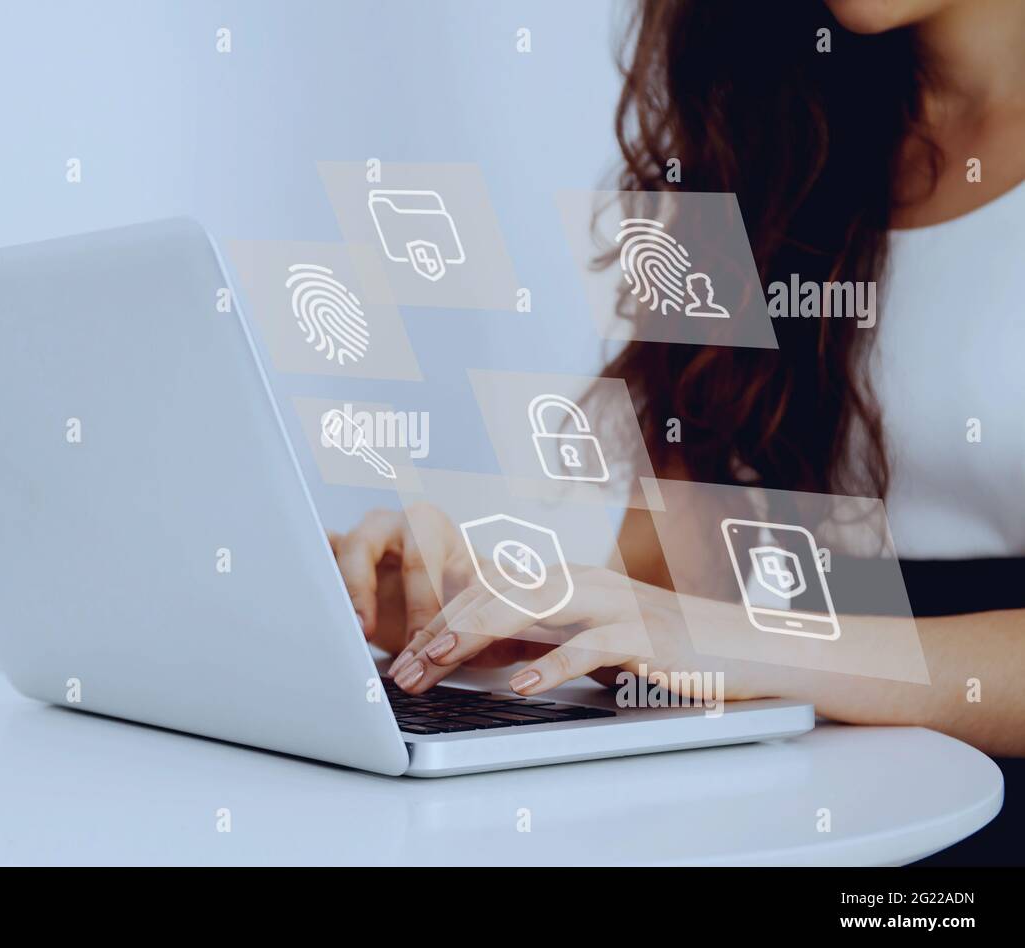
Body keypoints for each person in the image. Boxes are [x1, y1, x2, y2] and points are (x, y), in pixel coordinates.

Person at [329, 0, 1025, 862]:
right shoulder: (771, 123)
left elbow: (719, 634)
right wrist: (472, 603)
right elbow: (666, 597)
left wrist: (752, 644)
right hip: (831, 798)